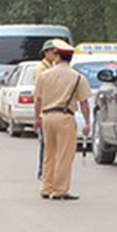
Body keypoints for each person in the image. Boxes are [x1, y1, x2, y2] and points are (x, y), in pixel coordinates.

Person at [33, 39, 91, 200]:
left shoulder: (44, 75)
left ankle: (46, 187)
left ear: (57, 56)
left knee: (49, 153)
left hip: (47, 116)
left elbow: (37, 99)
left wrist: (36, 118)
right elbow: (84, 102)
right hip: (65, 117)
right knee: (64, 155)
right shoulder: (78, 77)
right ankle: (60, 190)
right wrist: (87, 122)